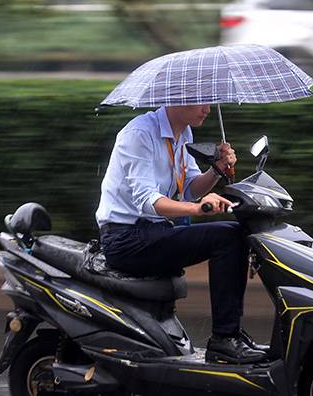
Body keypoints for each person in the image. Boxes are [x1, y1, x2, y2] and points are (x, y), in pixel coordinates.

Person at [95, 104, 266, 364]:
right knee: (227, 238)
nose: (208, 109)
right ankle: (224, 339)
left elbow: (189, 188)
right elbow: (147, 200)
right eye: (201, 102)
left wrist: (217, 169)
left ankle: (230, 336)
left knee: (236, 233)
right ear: (177, 99)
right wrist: (197, 208)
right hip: (125, 238)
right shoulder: (139, 134)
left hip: (154, 231)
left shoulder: (183, 133)